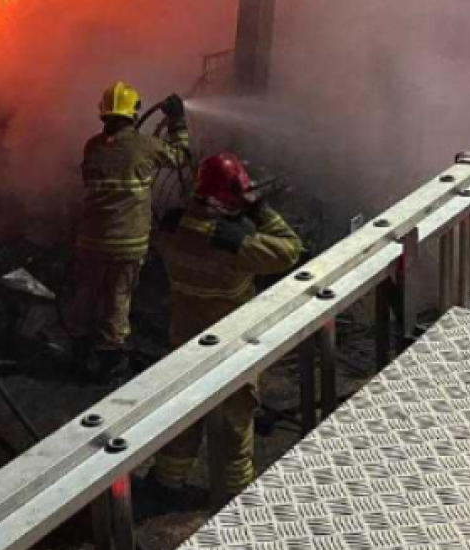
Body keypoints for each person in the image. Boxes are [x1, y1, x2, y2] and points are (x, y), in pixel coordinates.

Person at [144, 151, 303, 507]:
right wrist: (259, 211)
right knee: (235, 421)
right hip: (231, 348)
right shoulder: (235, 245)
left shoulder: (172, 227)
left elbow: (189, 231)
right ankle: (235, 491)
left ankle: (167, 481)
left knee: (182, 415)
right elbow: (291, 249)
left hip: (183, 343)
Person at [63, 81, 191, 380]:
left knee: (86, 293)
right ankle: (109, 358)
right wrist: (178, 122)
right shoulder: (145, 146)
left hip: (91, 240)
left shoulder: (92, 146)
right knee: (117, 297)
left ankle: (79, 350)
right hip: (127, 242)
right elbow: (181, 158)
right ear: (133, 113)